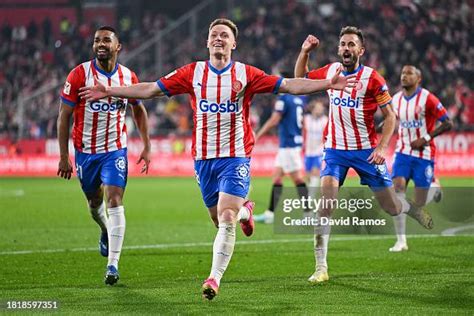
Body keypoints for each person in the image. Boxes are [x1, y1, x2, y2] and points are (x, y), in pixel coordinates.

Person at [79, 18, 357, 300]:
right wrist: (110, 90)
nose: (219, 39)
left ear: (233, 43)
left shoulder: (245, 74)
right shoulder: (193, 73)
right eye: (214, 35)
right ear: (207, 42)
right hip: (203, 160)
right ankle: (246, 212)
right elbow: (150, 89)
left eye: (224, 35)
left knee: (226, 217)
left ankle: (214, 278)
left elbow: (289, 86)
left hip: (235, 157)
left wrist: (326, 84)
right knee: (220, 218)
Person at [294, 27, 434, 284]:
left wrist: (381, 148)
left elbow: (390, 116)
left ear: (360, 51)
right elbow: (300, 77)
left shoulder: (373, 79)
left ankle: (410, 208)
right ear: (339, 49)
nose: (346, 49)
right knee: (326, 205)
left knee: (391, 207)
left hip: (366, 152)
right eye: (343, 44)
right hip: (335, 150)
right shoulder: (330, 71)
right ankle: (320, 267)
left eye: (351, 45)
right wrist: (304, 51)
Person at [57, 26, 151, 286]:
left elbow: (139, 110)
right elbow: (64, 116)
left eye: (106, 40)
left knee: (115, 198)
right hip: (86, 152)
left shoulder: (127, 76)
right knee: (94, 201)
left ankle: (113, 264)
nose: (100, 44)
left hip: (115, 150)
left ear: (117, 46)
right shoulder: (78, 75)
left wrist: (146, 144)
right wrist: (64, 156)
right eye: (97, 40)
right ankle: (104, 230)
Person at [389, 65, 453, 252]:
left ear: (419, 79)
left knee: (419, 203)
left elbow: (448, 122)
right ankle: (401, 241)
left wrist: (425, 138)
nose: (404, 76)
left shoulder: (428, 99)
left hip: (423, 154)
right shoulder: (396, 99)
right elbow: (391, 120)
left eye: (409, 73)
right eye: (402, 73)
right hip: (402, 152)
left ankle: (435, 189)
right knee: (397, 191)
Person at [253, 93, 309, 224]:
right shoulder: (298, 100)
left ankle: (309, 213)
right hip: (291, 143)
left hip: (288, 144)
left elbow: (275, 119)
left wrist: (258, 134)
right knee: (277, 177)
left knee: (297, 178)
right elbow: (302, 122)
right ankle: (270, 214)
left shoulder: (283, 99)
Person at [303, 100, 328, 197]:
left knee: (315, 172)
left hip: (319, 151)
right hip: (308, 151)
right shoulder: (306, 119)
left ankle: (310, 198)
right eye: (317, 108)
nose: (320, 110)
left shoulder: (325, 120)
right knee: (308, 176)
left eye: (321, 108)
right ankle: (310, 193)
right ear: (312, 109)